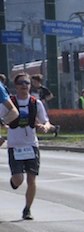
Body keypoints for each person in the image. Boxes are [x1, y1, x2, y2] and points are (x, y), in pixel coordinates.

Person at [7, 73, 55, 220]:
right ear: (16, 86)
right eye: (21, 83)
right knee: (18, 179)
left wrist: (45, 127)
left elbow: (46, 121)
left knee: (31, 179)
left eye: (27, 83)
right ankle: (14, 181)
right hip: (15, 145)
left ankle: (27, 209)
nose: (24, 85)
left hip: (31, 145)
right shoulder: (9, 103)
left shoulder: (36, 103)